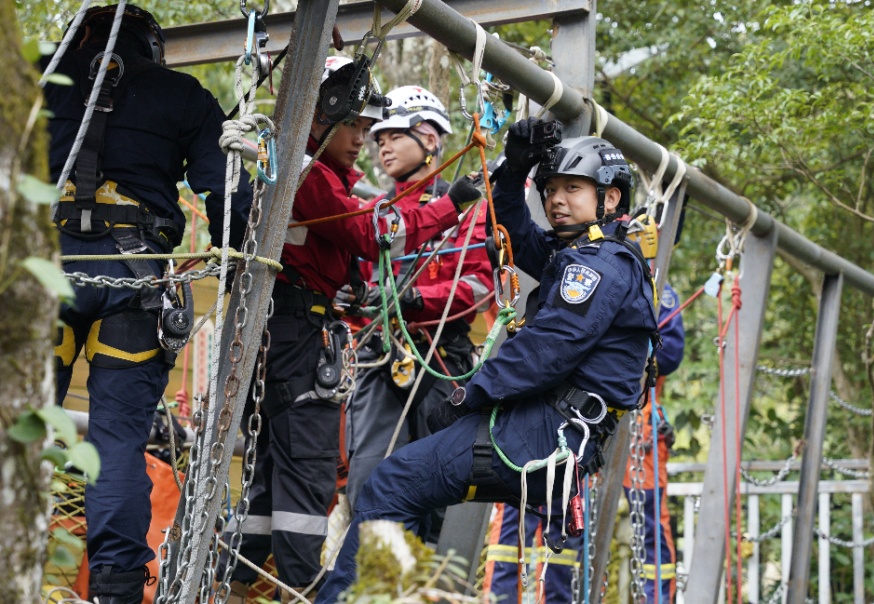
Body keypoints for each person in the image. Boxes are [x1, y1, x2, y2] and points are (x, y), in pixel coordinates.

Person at [316, 119, 659, 603]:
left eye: (574, 189)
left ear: (610, 198)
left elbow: (548, 349)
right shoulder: (585, 253)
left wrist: (468, 395)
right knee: (399, 487)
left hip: (542, 431)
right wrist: (514, 169)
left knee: (392, 485)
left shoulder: (594, 266)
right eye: (552, 189)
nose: (558, 199)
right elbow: (511, 230)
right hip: (546, 428)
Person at [218, 63, 478, 602]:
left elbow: (473, 285)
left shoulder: (342, 187)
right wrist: (448, 208)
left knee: (297, 471)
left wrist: (371, 291)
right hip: (333, 347)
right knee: (324, 474)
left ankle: (246, 582)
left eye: (381, 132)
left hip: (427, 358)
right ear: (323, 117)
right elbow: (368, 234)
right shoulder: (314, 176)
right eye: (361, 128)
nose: (369, 142)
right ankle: (298, 585)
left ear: (429, 140)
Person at [45, 5, 253, 602]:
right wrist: (237, 253)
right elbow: (227, 191)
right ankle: (116, 592)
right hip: (132, 280)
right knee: (116, 446)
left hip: (46, 273)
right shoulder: (181, 94)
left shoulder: (36, 78)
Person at [336, 86, 492, 542]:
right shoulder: (376, 211)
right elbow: (356, 282)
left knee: (439, 483)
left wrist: (420, 300)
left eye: (393, 136)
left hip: (441, 361)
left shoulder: (467, 210)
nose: (381, 146)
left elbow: (480, 284)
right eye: (377, 138)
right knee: (368, 476)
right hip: (381, 361)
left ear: (428, 137)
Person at [484, 284, 686, 603]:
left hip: (632, 419)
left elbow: (670, 352)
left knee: (645, 523)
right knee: (526, 514)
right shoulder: (544, 273)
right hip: (557, 410)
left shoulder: (656, 288)